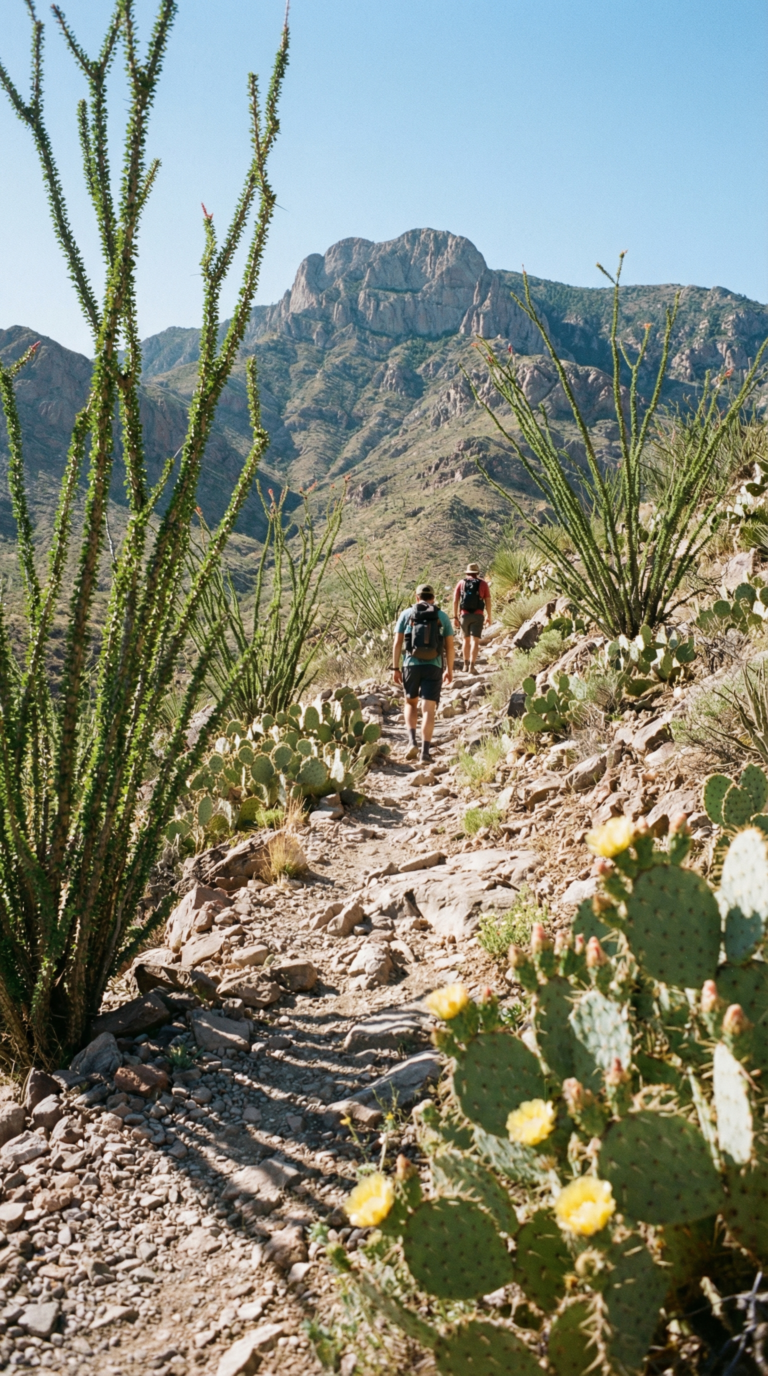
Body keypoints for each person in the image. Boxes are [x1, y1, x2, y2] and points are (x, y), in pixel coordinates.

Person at [392, 584, 454, 762]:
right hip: (434, 666)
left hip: (411, 665)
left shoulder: (406, 614)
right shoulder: (441, 616)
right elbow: (450, 647)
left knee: (411, 704)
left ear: (416, 597)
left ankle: (412, 742)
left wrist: (395, 668)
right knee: (429, 709)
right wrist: (449, 670)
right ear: (433, 598)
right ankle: (425, 753)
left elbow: (397, 643)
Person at [453, 562, 492, 673]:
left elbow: (455, 601)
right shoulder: (483, 584)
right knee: (475, 641)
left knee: (465, 640)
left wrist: (455, 617)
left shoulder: (461, 583)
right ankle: (472, 666)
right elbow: (488, 601)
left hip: (464, 615)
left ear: (467, 572)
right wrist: (489, 616)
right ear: (477, 573)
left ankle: (465, 665)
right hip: (478, 615)